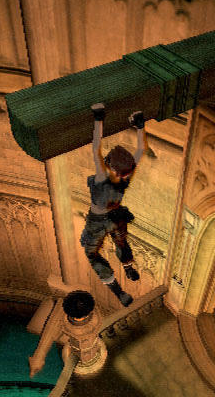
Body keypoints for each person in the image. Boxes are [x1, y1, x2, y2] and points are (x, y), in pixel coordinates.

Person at [79, 102, 147, 307]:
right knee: (121, 242)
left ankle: (119, 292)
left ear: (112, 167)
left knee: (91, 254)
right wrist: (140, 125)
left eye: (107, 160)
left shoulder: (102, 177)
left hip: (97, 221)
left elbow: (96, 149)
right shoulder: (125, 179)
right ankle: (128, 267)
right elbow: (141, 149)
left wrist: (98, 118)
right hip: (117, 219)